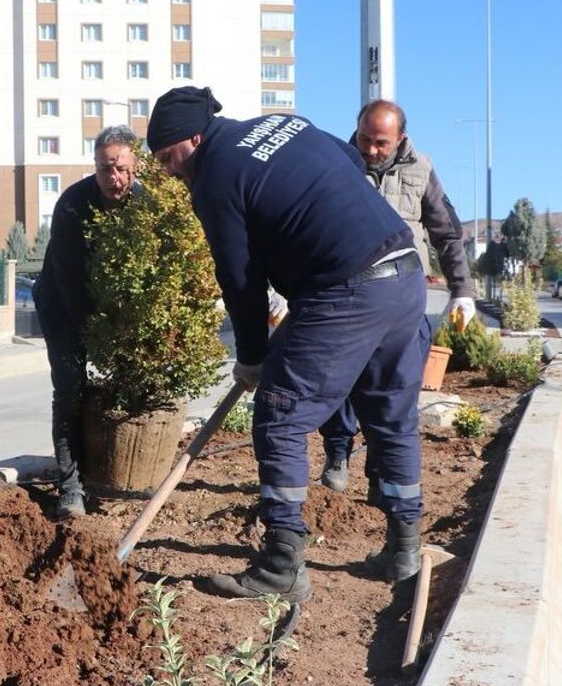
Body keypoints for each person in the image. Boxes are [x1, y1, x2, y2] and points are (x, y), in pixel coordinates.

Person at [148, 87, 430, 602]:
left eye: (169, 157)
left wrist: (252, 356)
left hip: (347, 288)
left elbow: (239, 277)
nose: (169, 171)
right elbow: (350, 160)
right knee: (391, 415)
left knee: (280, 415)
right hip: (404, 273)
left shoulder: (215, 178)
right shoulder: (284, 123)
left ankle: (281, 565)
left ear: (194, 138)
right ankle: (404, 550)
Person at [315, 99, 477, 495]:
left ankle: (380, 470)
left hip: (404, 297)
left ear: (400, 138)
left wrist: (462, 291)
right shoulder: (335, 164)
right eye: (364, 139)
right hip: (348, 293)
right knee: (339, 380)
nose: (370, 150)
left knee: (395, 388)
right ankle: (337, 451)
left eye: (381, 143)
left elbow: (447, 235)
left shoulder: (421, 170)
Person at [34, 125, 140, 519]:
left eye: (120, 168)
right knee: (70, 389)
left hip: (114, 309)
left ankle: (110, 473)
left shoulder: (144, 205)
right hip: (62, 304)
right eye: (104, 168)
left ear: (135, 165)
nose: (113, 177)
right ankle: (70, 487)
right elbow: (70, 282)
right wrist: (98, 338)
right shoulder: (72, 205)